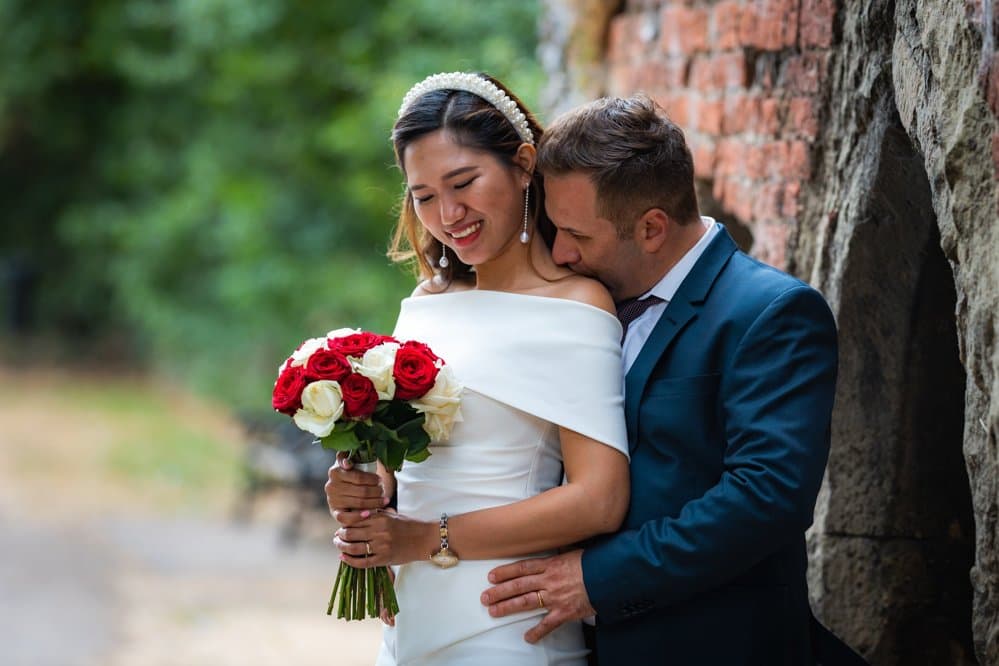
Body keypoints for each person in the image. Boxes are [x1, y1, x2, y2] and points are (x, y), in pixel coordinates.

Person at [479, 95, 852, 665]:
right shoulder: (578, 303)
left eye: (578, 234)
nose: (560, 251)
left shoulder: (771, 312)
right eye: (554, 228)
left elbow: (765, 498)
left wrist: (597, 578)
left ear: (652, 228)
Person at [325, 72, 632, 665]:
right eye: (424, 196)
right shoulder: (424, 302)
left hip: (505, 623)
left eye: (464, 182)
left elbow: (599, 499)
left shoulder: (575, 307)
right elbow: (414, 468)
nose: (449, 213)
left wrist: (425, 538)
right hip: (411, 617)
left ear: (523, 166)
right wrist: (369, 496)